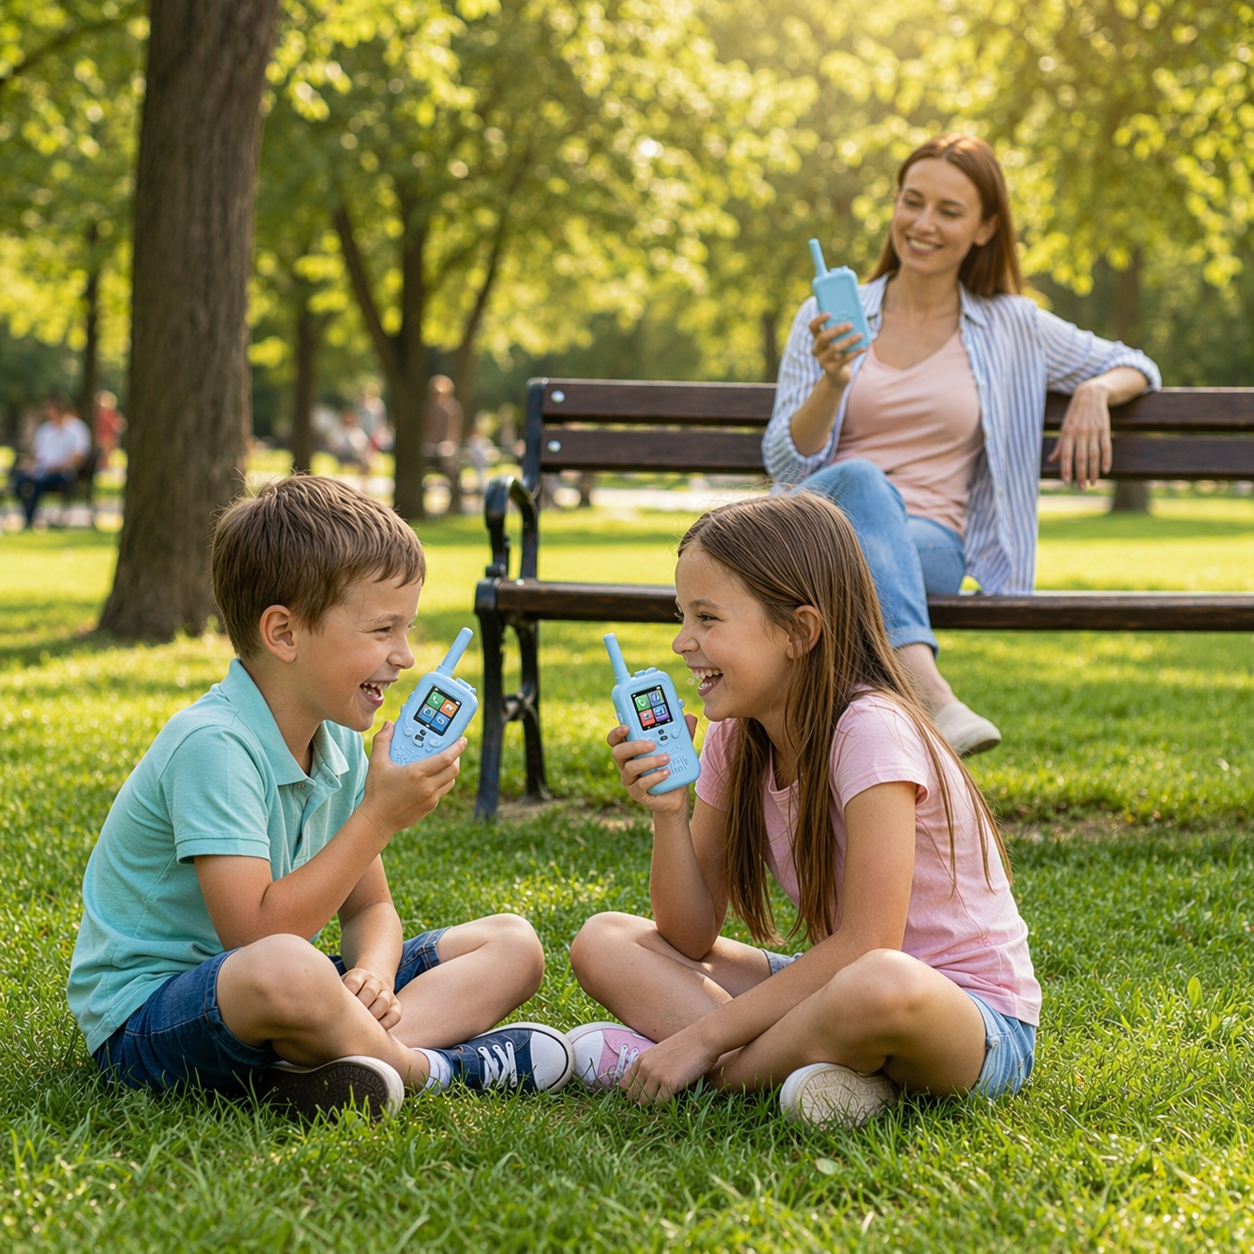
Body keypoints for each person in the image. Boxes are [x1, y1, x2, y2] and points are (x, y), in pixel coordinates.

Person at [67, 476, 574, 1118]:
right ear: (283, 633)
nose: (405, 656)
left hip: (279, 989)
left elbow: (371, 908)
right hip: (151, 1018)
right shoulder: (214, 745)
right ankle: (431, 1068)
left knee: (512, 943)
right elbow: (254, 936)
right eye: (382, 629)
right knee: (289, 966)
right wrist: (377, 817)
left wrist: (374, 976)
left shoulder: (337, 742)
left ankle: (331, 1056)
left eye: (407, 628)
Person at [567, 493, 1040, 1130]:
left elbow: (870, 944)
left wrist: (700, 1040)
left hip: (968, 1019)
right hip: (834, 989)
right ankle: (836, 1078)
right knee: (604, 940)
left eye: (707, 618)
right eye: (682, 616)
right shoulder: (736, 735)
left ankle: (713, 1074)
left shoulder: (871, 729)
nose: (681, 642)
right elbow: (689, 936)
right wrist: (668, 813)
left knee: (879, 983)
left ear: (799, 631)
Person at [763, 133, 1161, 756]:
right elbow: (785, 464)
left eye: (949, 211)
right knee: (861, 479)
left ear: (984, 228)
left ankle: (855, 753)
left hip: (930, 546)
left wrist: (1094, 390)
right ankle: (931, 698)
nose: (923, 224)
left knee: (860, 565)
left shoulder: (1012, 325)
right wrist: (834, 382)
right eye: (912, 202)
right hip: (816, 536)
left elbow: (1135, 364)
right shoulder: (828, 316)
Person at [11, 395, 92, 528]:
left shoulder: (76, 428)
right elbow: (36, 454)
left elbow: (79, 457)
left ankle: (29, 520)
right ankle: (28, 517)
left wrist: (56, 467)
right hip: (41, 471)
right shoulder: (45, 429)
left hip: (63, 473)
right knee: (19, 481)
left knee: (37, 484)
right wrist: (30, 465)